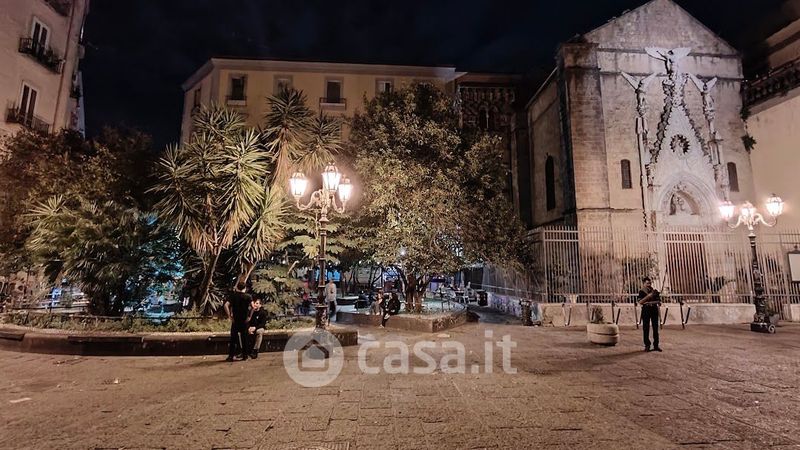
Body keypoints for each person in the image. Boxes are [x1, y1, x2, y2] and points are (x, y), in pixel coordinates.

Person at [224, 281, 252, 362]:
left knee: (233, 338)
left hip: (235, 320)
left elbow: (226, 305)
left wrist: (229, 316)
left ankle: (231, 356)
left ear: (237, 287)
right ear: (245, 288)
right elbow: (253, 306)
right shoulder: (248, 296)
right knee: (244, 338)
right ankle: (245, 355)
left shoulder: (233, 296)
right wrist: (249, 316)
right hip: (244, 320)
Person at [638, 277, 662, 352]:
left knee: (655, 328)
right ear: (644, 283)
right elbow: (640, 302)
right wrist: (648, 297)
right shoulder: (641, 292)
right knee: (646, 328)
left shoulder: (654, 291)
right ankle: (647, 345)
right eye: (647, 283)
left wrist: (649, 302)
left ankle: (656, 345)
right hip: (646, 310)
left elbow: (659, 301)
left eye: (650, 283)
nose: (649, 284)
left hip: (654, 309)